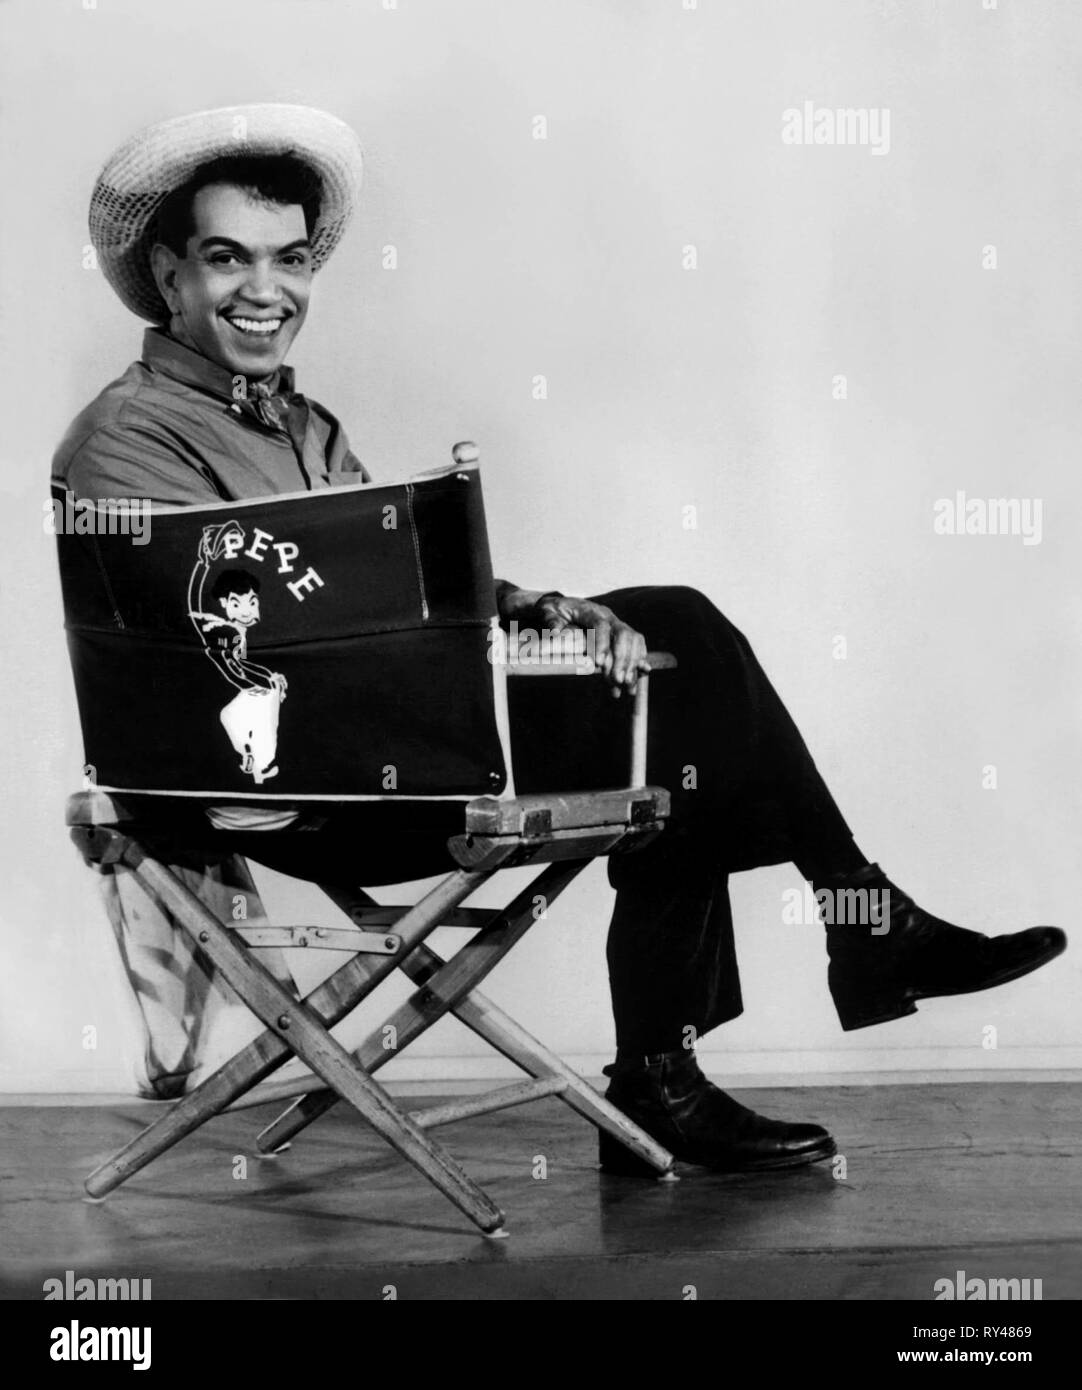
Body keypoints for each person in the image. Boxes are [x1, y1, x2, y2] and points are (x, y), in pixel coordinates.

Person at [53, 104, 1067, 1170]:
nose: (266, 289)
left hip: (375, 736)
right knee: (676, 676)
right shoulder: (127, 441)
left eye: (290, 259)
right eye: (228, 258)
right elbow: (233, 649)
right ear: (168, 273)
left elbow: (389, 590)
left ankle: (751, 1008)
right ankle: (804, 967)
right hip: (295, 785)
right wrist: (470, 647)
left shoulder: (301, 422)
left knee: (664, 664)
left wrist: (540, 610)